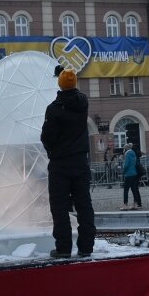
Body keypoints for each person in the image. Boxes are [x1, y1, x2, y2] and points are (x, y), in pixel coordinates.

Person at [40, 67, 96, 259]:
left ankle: (63, 248)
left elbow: (47, 136)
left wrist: (51, 150)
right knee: (84, 205)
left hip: (60, 164)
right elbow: (72, 92)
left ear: (59, 85)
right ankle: (86, 247)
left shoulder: (54, 109)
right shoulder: (83, 103)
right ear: (75, 84)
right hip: (80, 162)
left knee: (60, 207)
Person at [120, 143, 142, 211]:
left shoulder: (127, 154)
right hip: (134, 173)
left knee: (126, 190)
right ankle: (135, 204)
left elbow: (126, 165)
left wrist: (123, 172)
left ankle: (125, 205)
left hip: (128, 174)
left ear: (125, 149)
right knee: (134, 189)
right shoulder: (133, 153)